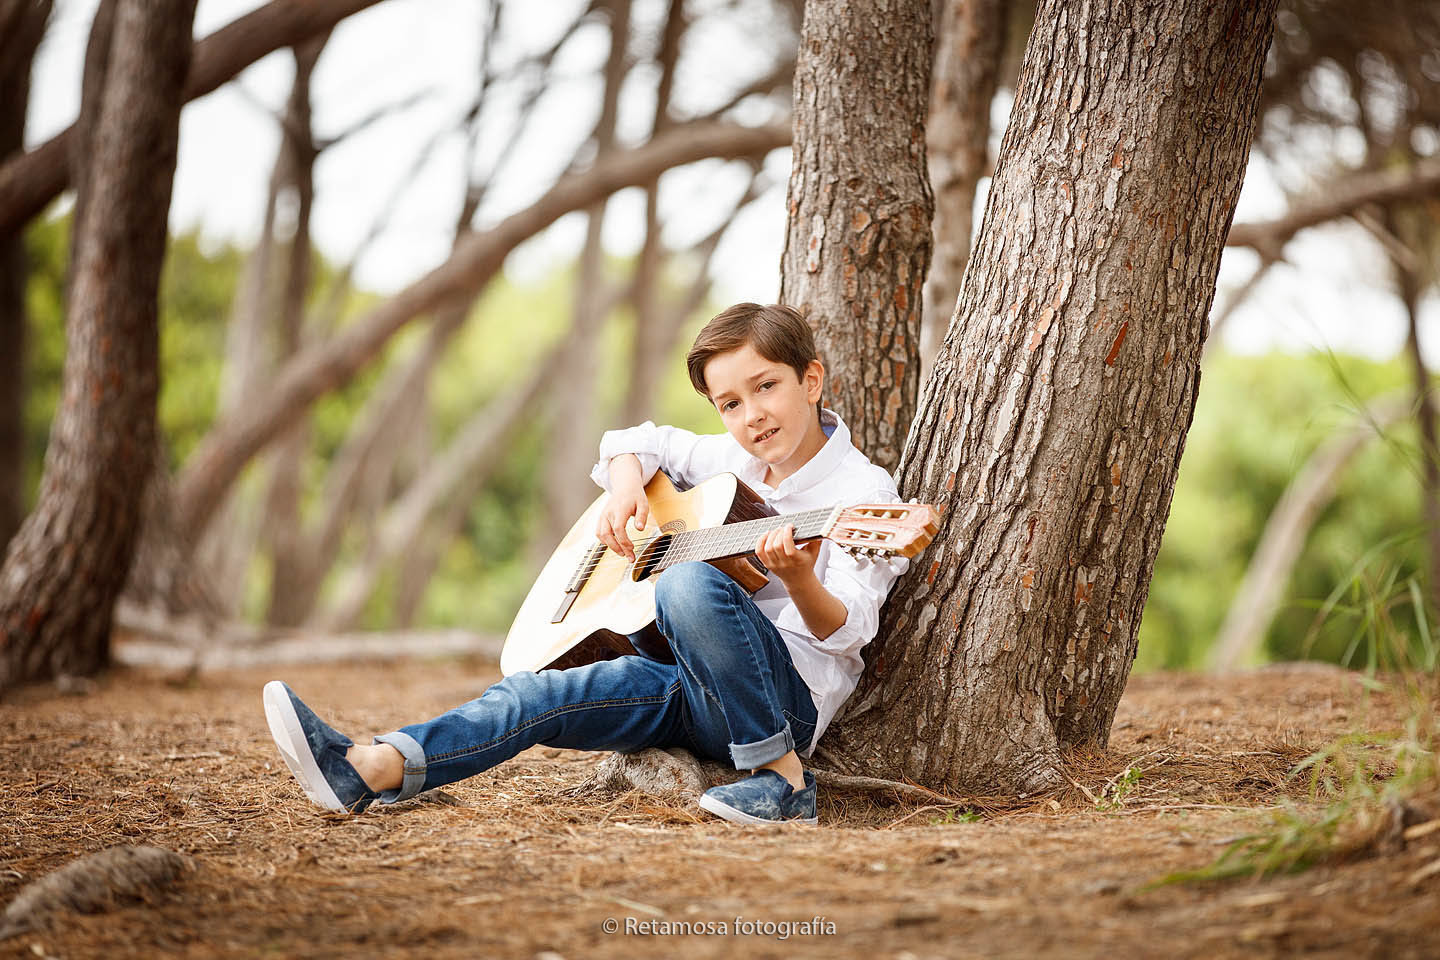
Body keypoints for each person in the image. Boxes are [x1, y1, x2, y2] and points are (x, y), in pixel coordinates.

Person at [263, 302, 909, 825]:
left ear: (812, 381)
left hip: (783, 702)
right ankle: (373, 767)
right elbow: (634, 441)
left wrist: (797, 578)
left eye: (766, 386)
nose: (752, 415)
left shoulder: (865, 495)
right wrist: (627, 485)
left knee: (685, 579)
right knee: (537, 694)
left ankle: (782, 783)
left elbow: (847, 630)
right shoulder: (729, 462)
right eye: (730, 403)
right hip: (687, 686)